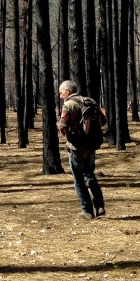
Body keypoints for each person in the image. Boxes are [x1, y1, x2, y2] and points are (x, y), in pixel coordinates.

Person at [58, 79, 105, 219]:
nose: (60, 96)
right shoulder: (90, 101)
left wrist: (60, 126)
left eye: (61, 93)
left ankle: (87, 210)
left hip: (77, 147)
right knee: (90, 175)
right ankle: (100, 205)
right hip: (91, 146)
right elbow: (103, 121)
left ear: (68, 91)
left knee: (78, 179)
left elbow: (63, 128)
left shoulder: (69, 104)